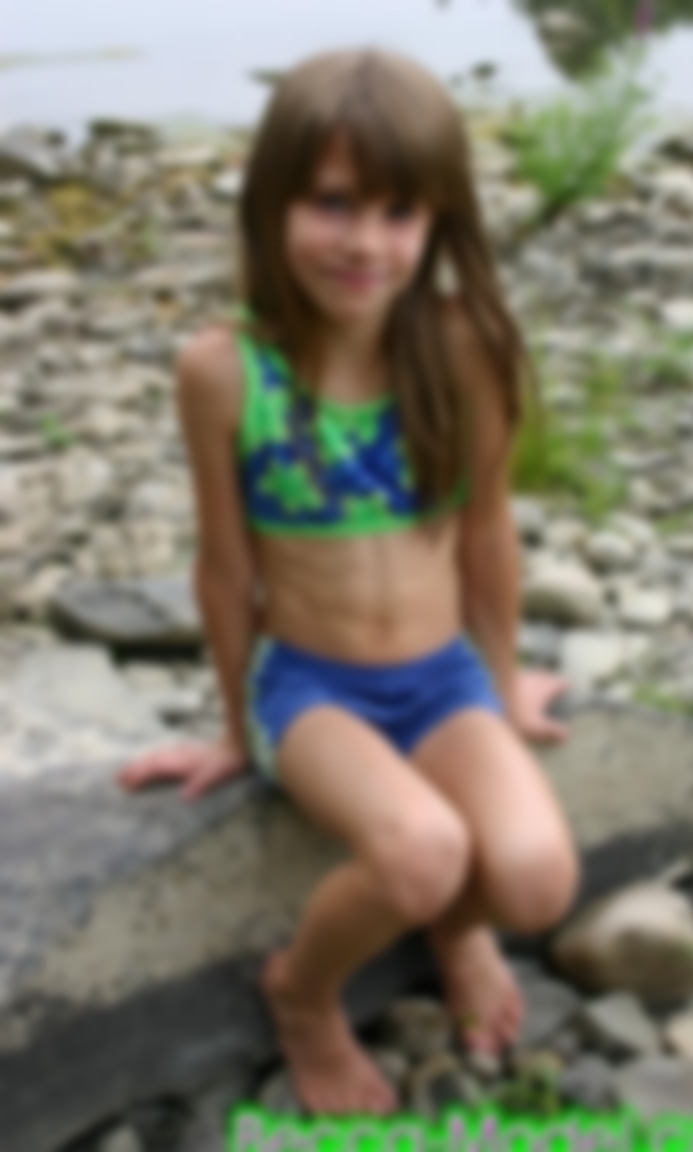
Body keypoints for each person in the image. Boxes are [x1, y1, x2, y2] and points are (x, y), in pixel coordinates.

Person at [117, 48, 579, 1117]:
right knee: (420, 849)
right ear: (272, 201)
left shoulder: (460, 347)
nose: (365, 243)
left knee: (536, 882)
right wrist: (234, 728)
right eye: (332, 203)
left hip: (442, 679)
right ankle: (302, 993)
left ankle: (457, 932)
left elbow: (485, 536)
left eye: (398, 212)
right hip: (311, 689)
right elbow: (225, 568)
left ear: (438, 219)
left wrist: (502, 682)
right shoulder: (225, 370)